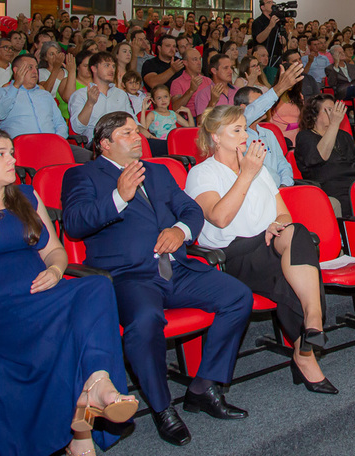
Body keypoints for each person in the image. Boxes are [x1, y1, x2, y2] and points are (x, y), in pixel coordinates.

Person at [0, 130, 136, 456]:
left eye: (12, 152)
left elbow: (55, 251)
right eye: (2, 154)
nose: (13, 159)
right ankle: (78, 432)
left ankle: (96, 382)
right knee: (70, 330)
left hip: (40, 297)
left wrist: (54, 270)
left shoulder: (27, 196)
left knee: (96, 285)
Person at [61, 113, 254, 447]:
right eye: (127, 133)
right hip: (130, 277)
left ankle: (203, 386)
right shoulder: (83, 175)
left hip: (176, 268)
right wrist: (119, 196)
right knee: (145, 320)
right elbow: (76, 223)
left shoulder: (158, 171)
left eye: (138, 131)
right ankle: (163, 407)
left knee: (238, 297)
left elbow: (191, 210)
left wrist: (180, 231)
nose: (139, 137)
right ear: (105, 143)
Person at [184, 106, 335, 393]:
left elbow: (284, 215)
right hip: (231, 257)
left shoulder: (260, 169)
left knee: (299, 232)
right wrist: (246, 174)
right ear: (215, 137)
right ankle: (306, 350)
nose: (246, 134)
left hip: (267, 245)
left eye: (246, 127)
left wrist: (275, 226)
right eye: (237, 130)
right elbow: (219, 218)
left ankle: (312, 322)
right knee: (298, 273)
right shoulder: (201, 174)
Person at [294, 96, 355, 216]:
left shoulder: (343, 136)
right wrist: (334, 123)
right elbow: (320, 157)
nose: (335, 113)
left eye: (335, 109)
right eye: (329, 110)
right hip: (329, 189)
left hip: (353, 184)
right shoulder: (305, 137)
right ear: (314, 115)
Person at [69, 52, 137, 146]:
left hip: (124, 139)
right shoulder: (80, 95)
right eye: (107, 65)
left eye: (113, 66)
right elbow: (77, 128)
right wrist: (90, 103)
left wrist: (148, 135)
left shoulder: (121, 94)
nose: (112, 69)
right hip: (97, 143)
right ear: (94, 68)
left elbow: (133, 120)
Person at [234, 86, 293, 187]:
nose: (265, 107)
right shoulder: (237, 135)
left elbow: (283, 165)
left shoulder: (269, 133)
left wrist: (285, 185)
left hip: (280, 189)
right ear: (243, 108)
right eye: (259, 103)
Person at [251, 0, 285, 67]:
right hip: (263, 59)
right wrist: (270, 26)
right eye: (269, 2)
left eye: (273, 2)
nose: (272, 4)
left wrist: (284, 41)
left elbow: (284, 39)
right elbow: (259, 39)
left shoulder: (277, 21)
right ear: (262, 7)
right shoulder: (257, 22)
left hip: (277, 58)